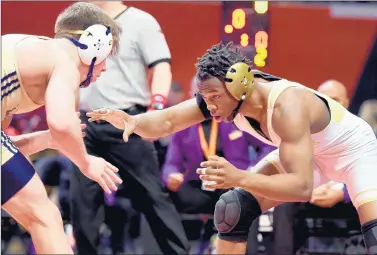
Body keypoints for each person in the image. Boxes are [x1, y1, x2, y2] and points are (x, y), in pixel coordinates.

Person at [87, 41, 377, 255]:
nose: (209, 106)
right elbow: (168, 120)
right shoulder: (226, 95)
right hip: (308, 153)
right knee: (233, 209)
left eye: (214, 96)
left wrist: (238, 176)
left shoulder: (287, 107)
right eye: (205, 97)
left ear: (239, 83)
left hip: (353, 153)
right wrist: (133, 122)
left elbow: (301, 188)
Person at [1, 2, 123, 254]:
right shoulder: (63, 62)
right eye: (107, 57)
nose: (105, 67)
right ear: (94, 45)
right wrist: (86, 162)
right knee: (44, 216)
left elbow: (6, 150)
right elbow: (61, 123)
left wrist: (48, 138)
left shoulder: (31, 53)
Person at [71, 1, 189, 254]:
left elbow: (161, 65)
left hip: (127, 121)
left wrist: (156, 110)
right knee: (83, 204)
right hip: (85, 124)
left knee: (152, 196)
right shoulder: (77, 21)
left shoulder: (141, 21)